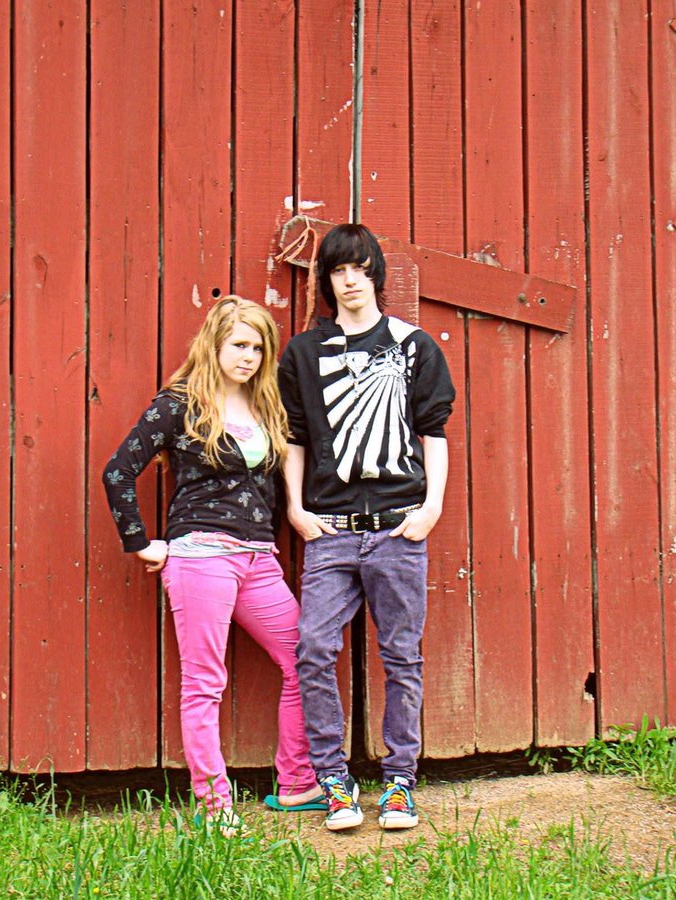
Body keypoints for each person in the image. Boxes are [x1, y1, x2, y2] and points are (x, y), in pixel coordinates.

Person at [102, 296, 323, 836]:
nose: (249, 357)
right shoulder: (179, 404)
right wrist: (141, 543)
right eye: (239, 346)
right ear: (215, 345)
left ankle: (295, 784)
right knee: (205, 682)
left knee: (305, 657)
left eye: (258, 348)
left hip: (259, 560)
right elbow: (117, 471)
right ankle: (213, 803)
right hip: (200, 556)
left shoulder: (266, 407)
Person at [278, 223, 455, 832]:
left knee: (401, 656)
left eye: (358, 268)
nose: (349, 280)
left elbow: (434, 432)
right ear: (326, 280)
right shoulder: (303, 353)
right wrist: (297, 510)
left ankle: (400, 783)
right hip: (329, 529)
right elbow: (295, 437)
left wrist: (429, 508)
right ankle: (334, 782)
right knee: (312, 649)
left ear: (375, 272)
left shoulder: (413, 346)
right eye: (337, 270)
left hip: (398, 528)